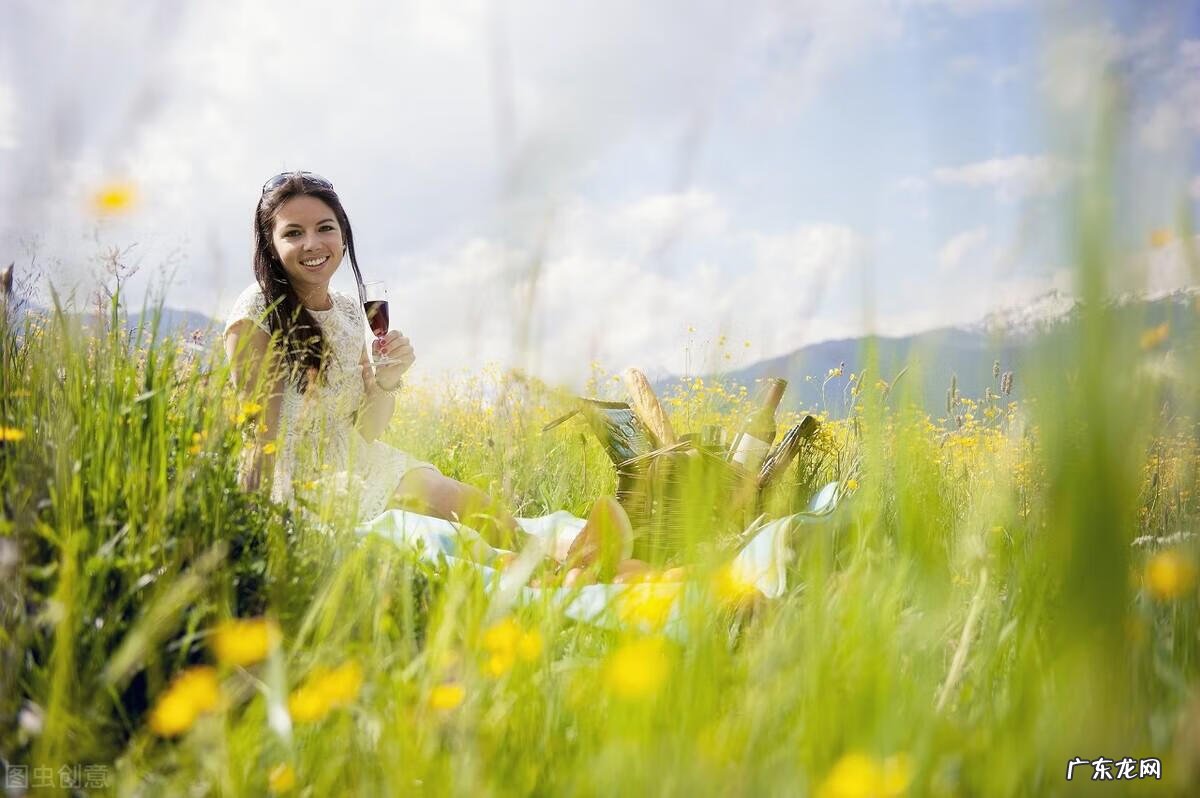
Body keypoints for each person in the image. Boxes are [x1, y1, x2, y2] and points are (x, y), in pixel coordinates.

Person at [224, 171, 632, 575]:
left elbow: (367, 429)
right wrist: (249, 534)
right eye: (293, 233)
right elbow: (259, 438)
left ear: (343, 236)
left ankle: (563, 564)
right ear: (272, 244)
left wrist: (385, 381)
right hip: (302, 483)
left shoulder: (349, 311)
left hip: (359, 460)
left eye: (324, 228)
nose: (312, 244)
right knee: (440, 527)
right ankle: (550, 573)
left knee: (467, 502)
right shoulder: (256, 313)